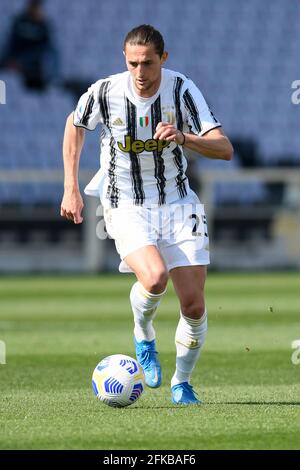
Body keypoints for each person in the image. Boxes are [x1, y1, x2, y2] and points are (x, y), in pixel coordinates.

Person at [60, 25, 233, 405]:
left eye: (148, 63)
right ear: (125, 58)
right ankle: (143, 334)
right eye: (133, 63)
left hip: (178, 203)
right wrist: (71, 186)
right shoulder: (105, 91)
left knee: (194, 304)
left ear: (163, 59)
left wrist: (186, 138)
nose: (141, 72)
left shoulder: (182, 89)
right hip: (126, 203)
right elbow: (75, 126)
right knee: (154, 278)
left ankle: (181, 383)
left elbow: (224, 148)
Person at [0, 0, 59, 90]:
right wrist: (11, 60)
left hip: (32, 66)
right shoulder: (19, 21)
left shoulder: (43, 26)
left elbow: (43, 49)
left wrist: (21, 61)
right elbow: (11, 43)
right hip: (14, 60)